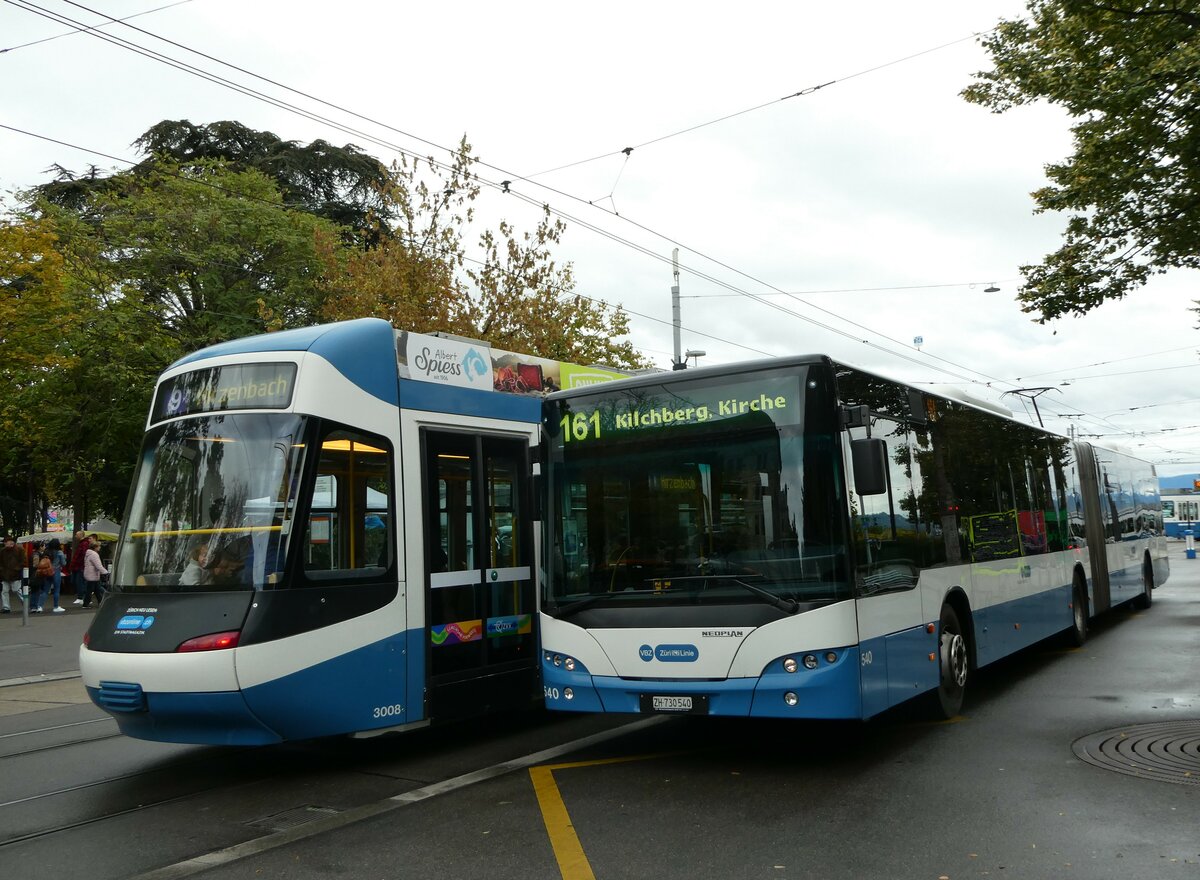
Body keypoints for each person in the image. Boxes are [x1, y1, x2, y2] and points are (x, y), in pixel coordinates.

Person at [81, 535, 108, 608]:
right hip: (93, 575)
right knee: (91, 590)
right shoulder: (94, 554)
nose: (100, 547)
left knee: (96, 590)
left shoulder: (88, 553)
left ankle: (100, 602)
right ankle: (86, 604)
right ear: (95, 547)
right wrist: (105, 572)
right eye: (99, 546)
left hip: (89, 574)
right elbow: (98, 565)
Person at [0, 534, 23, 614]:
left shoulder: (19, 550)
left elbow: (22, 561)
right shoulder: (2, 551)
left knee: (16, 590)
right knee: (4, 591)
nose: (6, 544)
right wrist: (2, 570)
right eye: (5, 542)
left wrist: (17, 569)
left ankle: (25, 603)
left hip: (15, 574)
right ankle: (6, 607)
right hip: (4, 574)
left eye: (6, 542)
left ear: (12, 542)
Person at [68, 531, 90, 606]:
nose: (75, 536)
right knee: (78, 581)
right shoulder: (83, 543)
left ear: (81, 535)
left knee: (79, 582)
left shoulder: (83, 544)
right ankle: (83, 597)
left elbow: (83, 554)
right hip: (78, 566)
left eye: (77, 535)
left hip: (79, 566)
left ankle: (81, 597)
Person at [46, 538, 66, 612]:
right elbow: (63, 563)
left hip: (47, 571)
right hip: (56, 571)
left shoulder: (47, 551)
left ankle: (39, 606)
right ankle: (56, 606)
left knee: (45, 590)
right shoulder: (59, 552)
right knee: (56, 589)